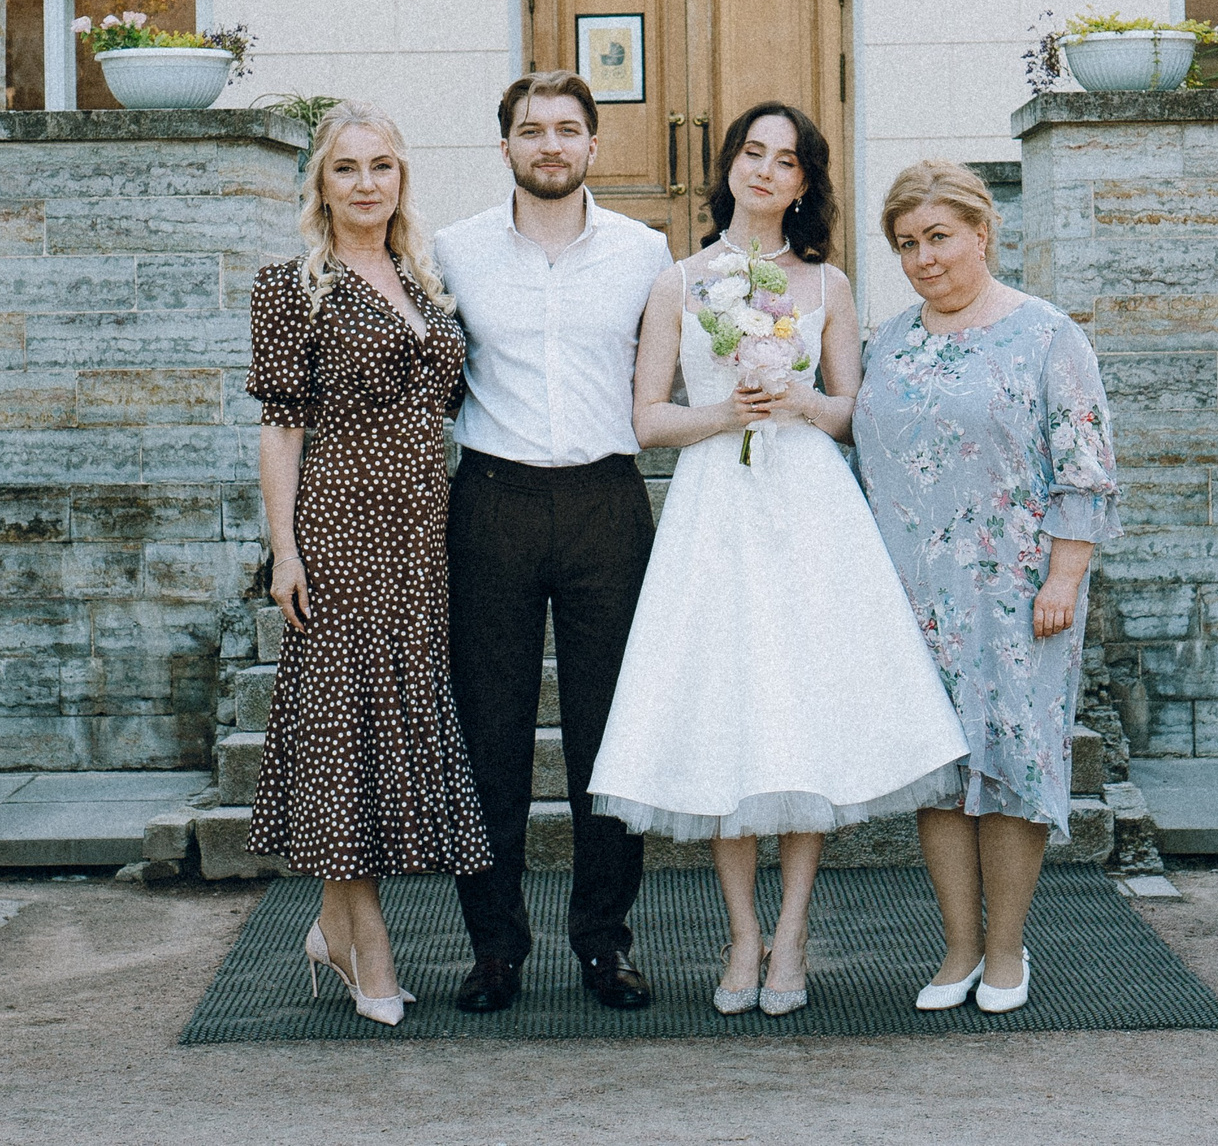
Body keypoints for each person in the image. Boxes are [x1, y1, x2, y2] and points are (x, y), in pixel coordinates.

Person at [588, 104, 967, 1019]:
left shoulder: (827, 282)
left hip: (807, 511)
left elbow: (852, 414)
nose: (764, 170)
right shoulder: (680, 280)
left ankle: (791, 929)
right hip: (716, 509)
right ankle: (741, 932)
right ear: (729, 166)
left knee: (802, 715)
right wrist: (727, 413)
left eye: (785, 159)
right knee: (729, 715)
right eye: (751, 153)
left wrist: (798, 400)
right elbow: (646, 418)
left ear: (804, 182)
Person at [852, 160, 1125, 1016]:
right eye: (907, 244)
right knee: (940, 771)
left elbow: (1086, 463)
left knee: (1012, 764)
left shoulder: (1047, 335)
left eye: (939, 237)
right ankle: (959, 947)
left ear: (981, 232)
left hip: (1017, 595)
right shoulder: (888, 342)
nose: (924, 258)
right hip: (913, 596)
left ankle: (1006, 949)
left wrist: (1065, 575)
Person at [431, 72, 675, 1014]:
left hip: (605, 503)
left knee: (608, 736)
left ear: (593, 146)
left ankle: (604, 943)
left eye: (568, 129)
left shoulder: (644, 252)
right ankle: (495, 948)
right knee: (487, 735)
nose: (550, 145)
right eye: (531, 130)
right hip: (492, 500)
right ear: (505, 147)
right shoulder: (452, 251)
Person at [245, 101, 488, 1028]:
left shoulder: (425, 279)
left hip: (422, 534)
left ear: (401, 178)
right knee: (343, 731)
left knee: (379, 730)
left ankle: (330, 929)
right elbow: (280, 427)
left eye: (381, 165)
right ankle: (368, 948)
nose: (365, 183)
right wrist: (285, 549)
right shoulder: (291, 286)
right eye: (346, 167)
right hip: (341, 528)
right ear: (321, 181)